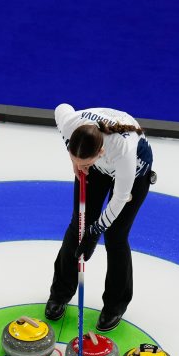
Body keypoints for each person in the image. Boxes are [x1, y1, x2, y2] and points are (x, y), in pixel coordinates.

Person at [44, 104, 155, 332]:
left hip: (133, 175)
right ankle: (60, 294)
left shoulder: (123, 150)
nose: (80, 167)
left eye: (84, 163)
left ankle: (115, 305)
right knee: (78, 227)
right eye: (76, 159)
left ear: (100, 153)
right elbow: (60, 108)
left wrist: (95, 232)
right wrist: (78, 163)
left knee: (115, 236)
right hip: (98, 168)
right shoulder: (71, 125)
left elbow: (121, 198)